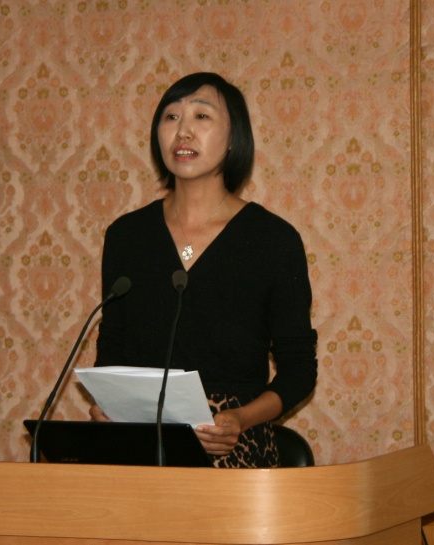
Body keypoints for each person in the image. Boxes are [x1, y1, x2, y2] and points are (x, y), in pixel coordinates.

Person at [89, 72, 318, 468]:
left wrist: (240, 419)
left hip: (231, 445)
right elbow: (112, 345)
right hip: (142, 446)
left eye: (201, 116)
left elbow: (298, 369)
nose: (183, 131)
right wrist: (107, 404)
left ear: (234, 137)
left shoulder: (273, 240)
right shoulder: (128, 236)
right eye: (171, 117)